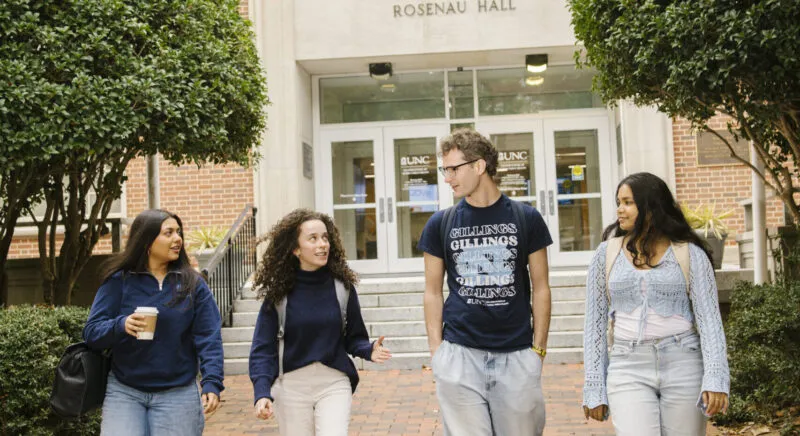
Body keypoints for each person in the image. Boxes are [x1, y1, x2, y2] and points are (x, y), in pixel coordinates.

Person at [417, 128, 553, 436]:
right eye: (445, 169)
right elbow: (432, 292)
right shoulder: (440, 223)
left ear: (479, 166)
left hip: (517, 355)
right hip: (460, 356)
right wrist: (437, 352)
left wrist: (538, 351)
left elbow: (541, 287)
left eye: (454, 169)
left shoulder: (526, 218)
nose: (447, 177)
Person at [582, 172, 730, 435]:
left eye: (627, 202)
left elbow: (710, 321)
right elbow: (594, 325)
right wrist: (594, 384)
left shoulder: (690, 254)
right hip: (628, 366)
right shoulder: (605, 255)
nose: (619, 209)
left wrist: (716, 378)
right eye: (618, 202)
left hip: (684, 363)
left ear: (650, 206)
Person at [248, 209, 392, 436]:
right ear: (295, 249)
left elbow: (355, 338)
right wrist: (262, 392)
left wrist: (368, 349)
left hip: (333, 383)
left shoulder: (342, 288)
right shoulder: (279, 295)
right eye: (313, 239)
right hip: (291, 387)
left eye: (325, 238)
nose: (322, 244)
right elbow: (262, 349)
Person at [83, 209, 224, 436]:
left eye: (178, 232)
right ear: (147, 241)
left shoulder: (193, 284)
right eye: (168, 233)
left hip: (178, 392)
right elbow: (91, 332)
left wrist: (212, 381)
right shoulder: (119, 281)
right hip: (125, 391)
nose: (177, 239)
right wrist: (122, 325)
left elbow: (209, 337)